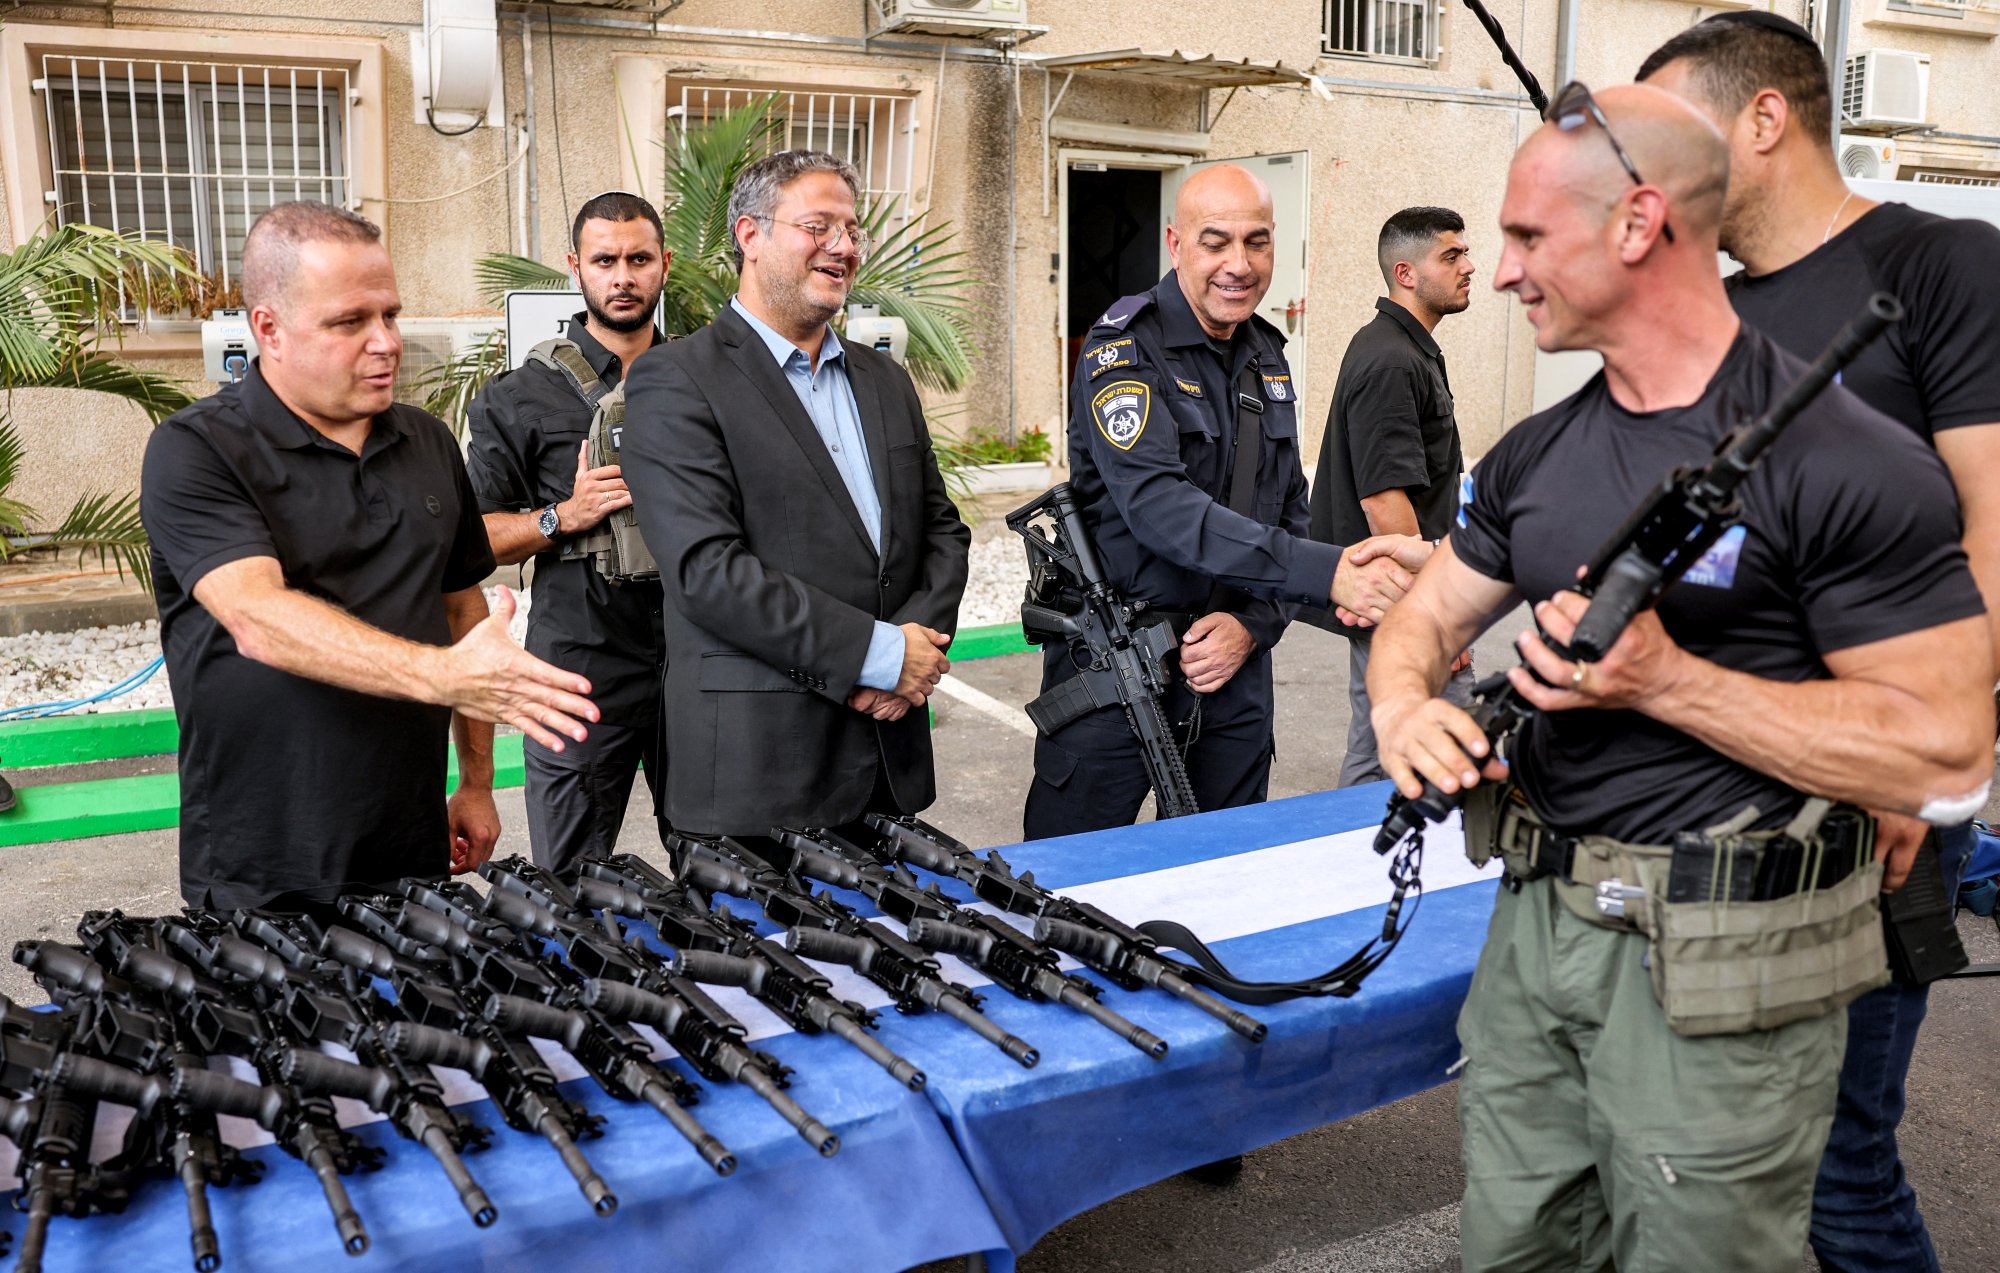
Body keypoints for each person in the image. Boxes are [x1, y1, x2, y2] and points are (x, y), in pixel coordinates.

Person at [1368, 85, 1994, 1272]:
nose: (1498, 274)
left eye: (1523, 237)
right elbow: (1427, 611)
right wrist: (1405, 707)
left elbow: (1945, 751)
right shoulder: (1538, 454)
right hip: (1534, 937)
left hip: (1721, 968)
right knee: (1512, 1244)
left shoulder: (1848, 463)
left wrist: (1662, 680)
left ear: (1637, 222)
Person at [1639, 14, 2000, 1270]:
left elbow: (1992, 529)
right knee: (1715, 1145)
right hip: (1715, 786)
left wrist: (1915, 758)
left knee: (1839, 1169)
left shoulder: (1942, 263)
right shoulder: (1712, 315)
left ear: (1761, 119)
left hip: (1867, 802)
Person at [140, 201, 598, 911]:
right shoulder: (197, 449)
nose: (386, 341)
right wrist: (445, 675)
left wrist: (476, 780)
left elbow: (461, 608)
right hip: (263, 861)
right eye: (350, 322)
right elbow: (258, 617)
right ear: (269, 328)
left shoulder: (426, 441)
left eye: (390, 314)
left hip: (410, 845)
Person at [1021, 163, 1428, 842]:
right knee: (1073, 888)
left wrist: (1254, 626)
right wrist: (1329, 572)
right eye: (1216, 242)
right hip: (1120, 663)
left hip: (1232, 671)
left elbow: (1289, 509)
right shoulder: (1123, 350)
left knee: (1229, 873)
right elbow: (1159, 507)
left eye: (1257, 242)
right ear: (1177, 244)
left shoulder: (1266, 355)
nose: (1238, 264)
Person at [620, 151, 969, 837]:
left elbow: (942, 530)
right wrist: (881, 655)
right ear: (750, 235)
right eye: (819, 226)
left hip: (887, 770)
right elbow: (707, 572)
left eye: (852, 229)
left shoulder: (885, 380)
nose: (843, 246)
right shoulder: (675, 380)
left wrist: (913, 654)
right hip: (757, 782)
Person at [466, 191, 668, 876]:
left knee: (722, 869)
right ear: (575, 267)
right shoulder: (519, 393)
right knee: (571, 882)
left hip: (700, 660)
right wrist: (563, 516)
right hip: (577, 672)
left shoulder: (705, 380)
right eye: (605, 260)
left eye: (638, 259)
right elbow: (474, 536)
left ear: (663, 264)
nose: (623, 277)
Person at [1309, 206, 1477, 787]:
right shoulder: (1390, 359)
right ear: (1406, 273)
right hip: (1401, 599)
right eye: (1450, 256)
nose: (1468, 266)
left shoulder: (1404, 347)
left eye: (1464, 253)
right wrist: (1435, 615)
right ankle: (1362, 867)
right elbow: (1384, 502)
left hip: (1401, 596)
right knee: (1400, 755)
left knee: (1393, 751)